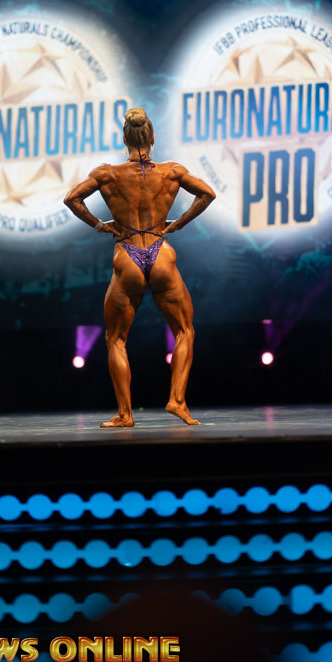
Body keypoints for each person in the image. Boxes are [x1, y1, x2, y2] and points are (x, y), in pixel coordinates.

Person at [64, 107, 216, 428]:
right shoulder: (172, 172)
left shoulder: (107, 174)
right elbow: (207, 193)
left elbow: (72, 199)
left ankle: (125, 414)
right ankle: (177, 400)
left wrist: (99, 225)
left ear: (124, 138)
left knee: (116, 339)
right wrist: (179, 223)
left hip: (127, 254)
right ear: (152, 137)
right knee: (184, 330)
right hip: (161, 253)